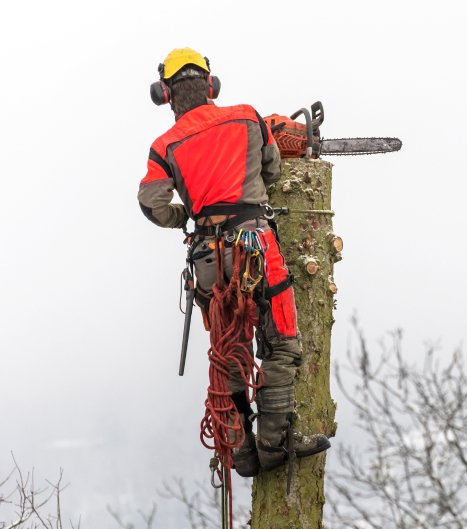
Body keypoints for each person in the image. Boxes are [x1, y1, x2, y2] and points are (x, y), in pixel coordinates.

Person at [138, 47, 330, 478]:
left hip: (209, 257)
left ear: (165, 94)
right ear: (210, 86)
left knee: (229, 352)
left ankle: (241, 450)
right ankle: (275, 443)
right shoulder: (246, 116)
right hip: (256, 242)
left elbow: (152, 203)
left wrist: (184, 215)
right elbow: (274, 171)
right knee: (281, 343)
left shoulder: (164, 145)